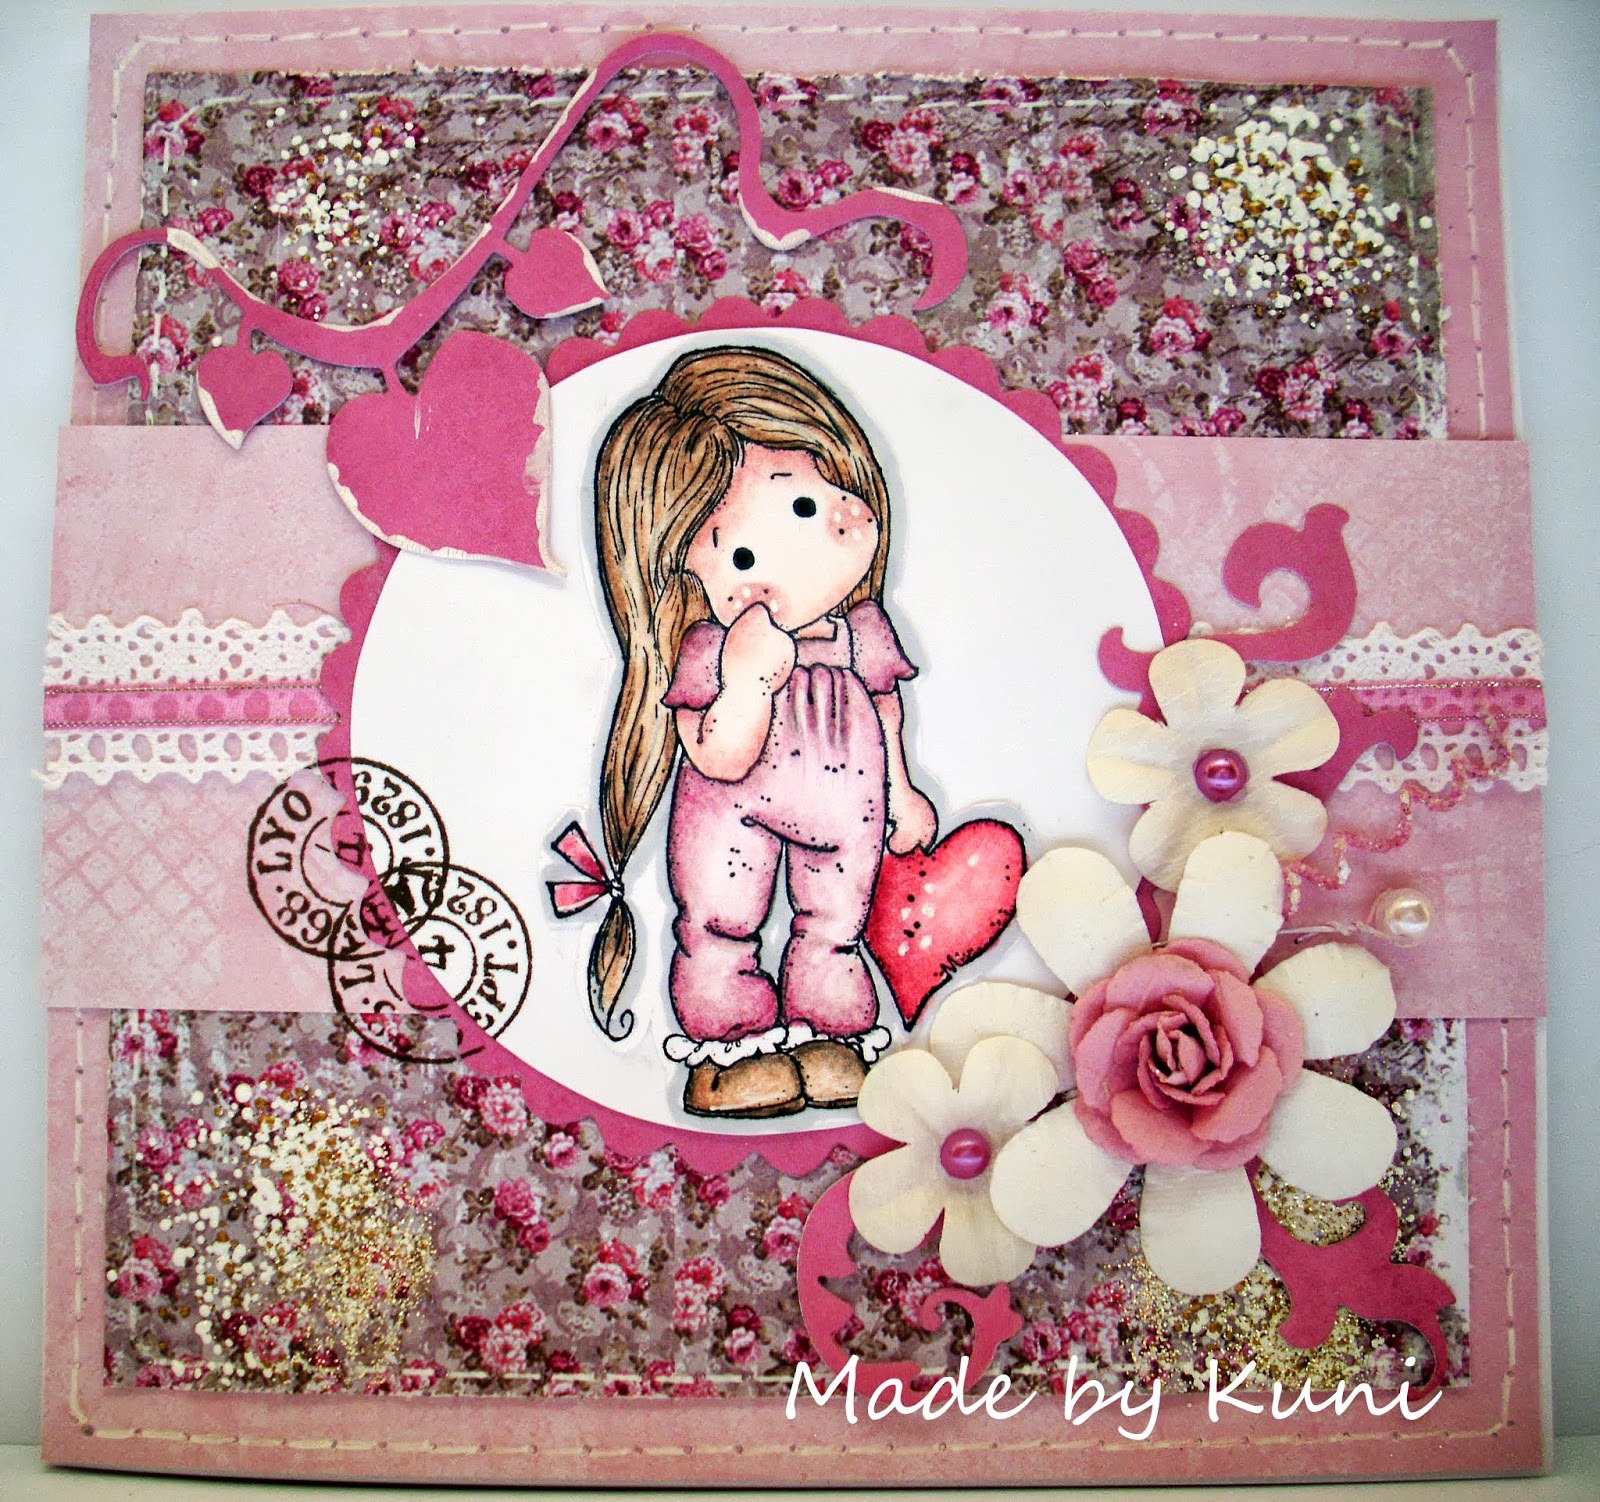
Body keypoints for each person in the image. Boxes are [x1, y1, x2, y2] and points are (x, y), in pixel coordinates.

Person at [588, 345, 937, 1118]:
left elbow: (886, 711)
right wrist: (747, 682)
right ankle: (730, 1053)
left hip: (849, 806)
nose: (803, 546)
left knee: (836, 923)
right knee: (721, 923)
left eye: (808, 507)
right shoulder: (709, 651)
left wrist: (904, 790)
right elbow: (716, 754)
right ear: (686, 577)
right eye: (744, 551)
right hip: (733, 811)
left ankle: (831, 1037)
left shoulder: (861, 631)